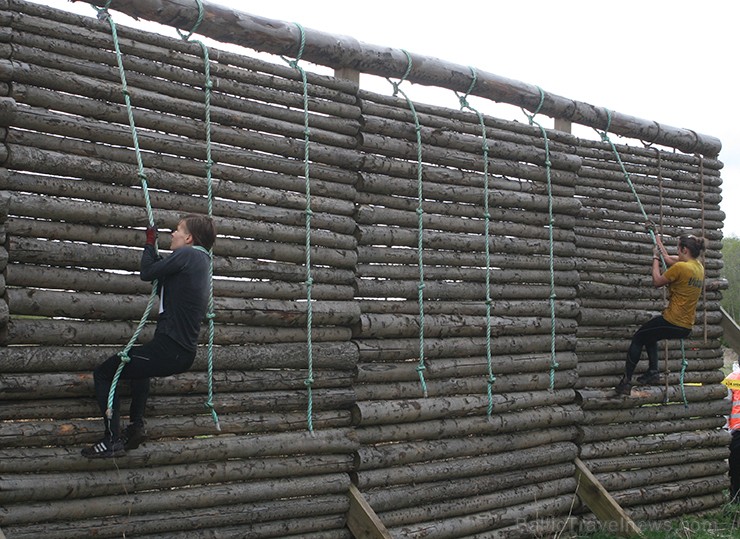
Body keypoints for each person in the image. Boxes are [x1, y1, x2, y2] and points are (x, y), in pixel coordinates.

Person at [82, 214, 216, 458]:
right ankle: (135, 428)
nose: (173, 235)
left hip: (170, 348)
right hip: (179, 352)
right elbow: (159, 277)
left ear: (188, 237)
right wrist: (153, 250)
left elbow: (147, 272)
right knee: (138, 367)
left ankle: (111, 440)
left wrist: (148, 243)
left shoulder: (188, 254)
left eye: (177, 230)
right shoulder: (200, 261)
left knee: (104, 373)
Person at [614, 232, 705, 396]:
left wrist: (655, 258)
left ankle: (626, 382)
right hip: (686, 325)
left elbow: (657, 281)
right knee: (650, 335)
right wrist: (656, 237)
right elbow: (669, 259)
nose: (676, 252)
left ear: (684, 249)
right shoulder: (698, 267)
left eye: (678, 249)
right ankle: (653, 371)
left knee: (638, 337)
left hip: (672, 320)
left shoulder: (681, 267)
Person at [725, 368, 740, 503]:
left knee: (736, 470)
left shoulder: (732, 378)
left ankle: (735, 498)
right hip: (737, 432)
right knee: (736, 470)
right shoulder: (733, 379)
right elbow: (724, 406)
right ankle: (735, 499)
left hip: (736, 433)